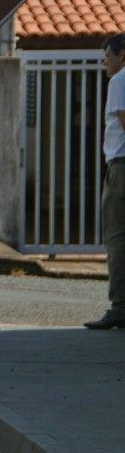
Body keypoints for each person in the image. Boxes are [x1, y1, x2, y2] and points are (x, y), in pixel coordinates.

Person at [86, 33, 125, 329]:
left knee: (116, 237)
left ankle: (120, 307)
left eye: (107, 56)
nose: (105, 63)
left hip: (120, 167)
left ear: (121, 55)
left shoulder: (119, 81)